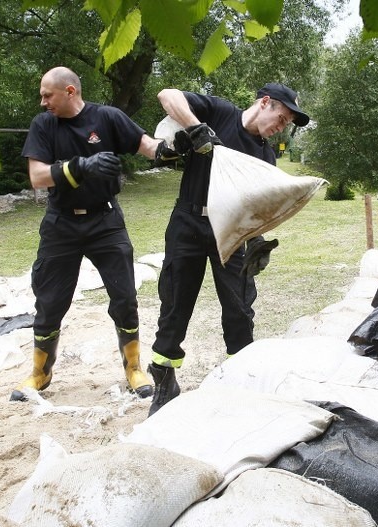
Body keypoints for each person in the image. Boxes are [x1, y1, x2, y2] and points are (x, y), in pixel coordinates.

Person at [147, 83, 310, 416]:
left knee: (239, 310)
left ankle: (241, 382)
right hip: (189, 222)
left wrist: (259, 241)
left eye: (287, 123)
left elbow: (260, 209)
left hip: (231, 234)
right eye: (282, 117)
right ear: (265, 102)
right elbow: (167, 96)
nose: (282, 126)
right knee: (175, 304)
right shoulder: (218, 112)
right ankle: (165, 383)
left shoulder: (265, 154)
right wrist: (196, 129)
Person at [12, 66, 171, 402]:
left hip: (105, 220)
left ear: (70, 91)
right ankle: (40, 373)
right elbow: (38, 177)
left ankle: (133, 368)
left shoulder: (108, 118)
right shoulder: (44, 125)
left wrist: (171, 147)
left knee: (125, 297)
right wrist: (81, 166)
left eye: (47, 95)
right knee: (50, 301)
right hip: (61, 223)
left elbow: (145, 145)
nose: (43, 102)